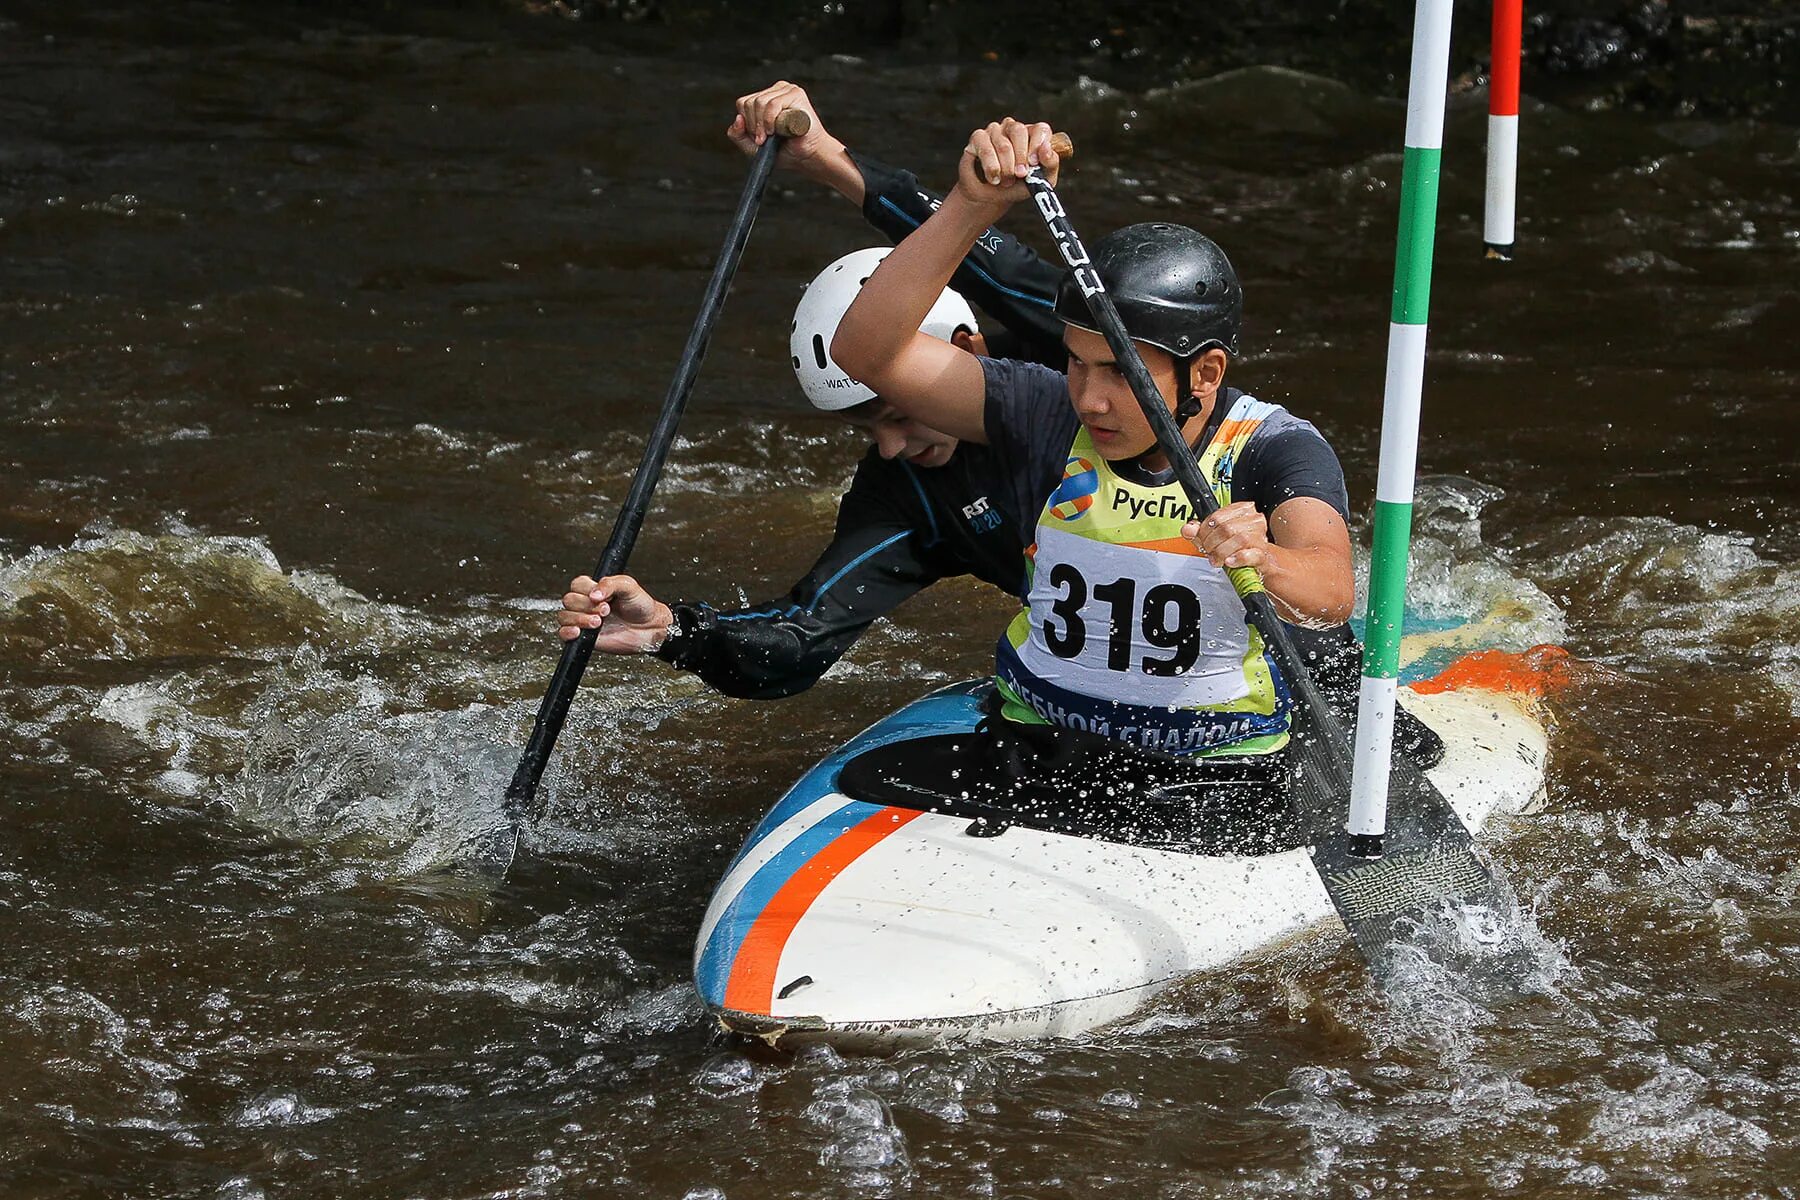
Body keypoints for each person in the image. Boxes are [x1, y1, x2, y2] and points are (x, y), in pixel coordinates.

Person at [833, 118, 1356, 757]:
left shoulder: (1275, 447)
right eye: (1078, 361)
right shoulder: (1046, 409)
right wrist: (972, 205)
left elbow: (1331, 593)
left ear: (1207, 372)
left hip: (1215, 762)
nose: (1089, 398)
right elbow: (868, 353)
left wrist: (1264, 558)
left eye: (1120, 371)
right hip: (1041, 738)